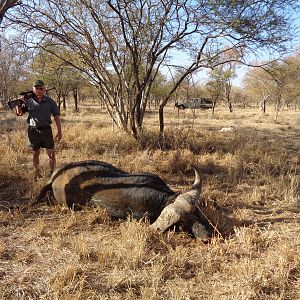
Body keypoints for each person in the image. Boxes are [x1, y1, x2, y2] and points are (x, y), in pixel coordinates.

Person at [15, 80, 62, 178]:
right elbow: (19, 113)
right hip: (33, 131)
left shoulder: (50, 101)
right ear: (33, 89)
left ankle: (52, 175)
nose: (39, 90)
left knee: (51, 154)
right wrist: (19, 103)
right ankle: (37, 173)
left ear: (44, 89)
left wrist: (59, 131)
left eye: (41, 88)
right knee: (35, 153)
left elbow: (56, 116)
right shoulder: (28, 101)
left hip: (46, 130)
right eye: (37, 88)